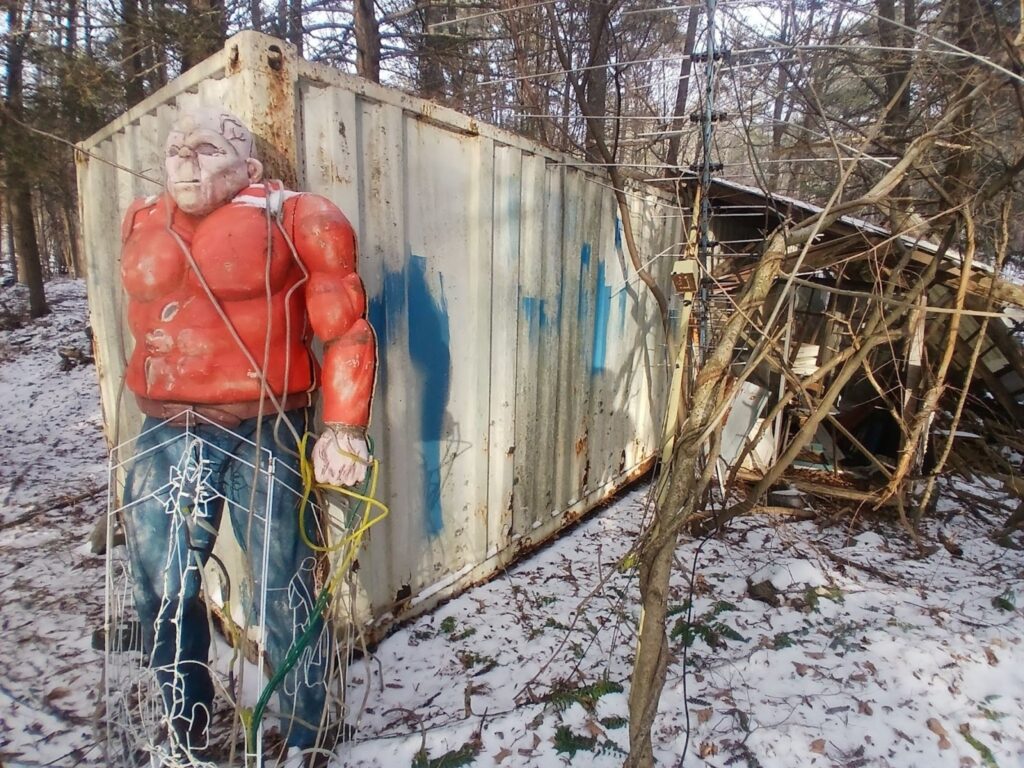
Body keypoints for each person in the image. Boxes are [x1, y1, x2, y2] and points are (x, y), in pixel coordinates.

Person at [118, 107, 376, 762]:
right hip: (163, 430)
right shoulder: (142, 219)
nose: (185, 159)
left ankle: (308, 727)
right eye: (177, 149)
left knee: (282, 584)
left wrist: (344, 426)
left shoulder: (298, 216)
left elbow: (346, 328)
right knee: (160, 585)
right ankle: (184, 721)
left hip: (266, 426)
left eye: (204, 148)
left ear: (250, 166)